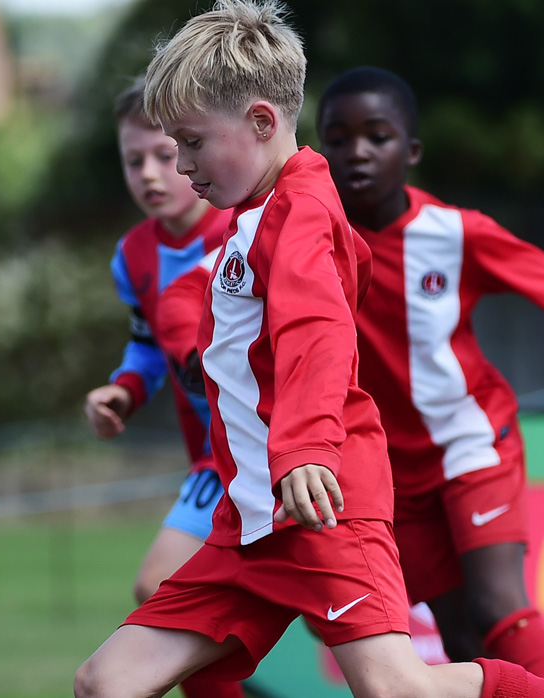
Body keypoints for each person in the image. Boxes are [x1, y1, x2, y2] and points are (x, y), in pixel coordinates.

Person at [71, 2, 544, 697]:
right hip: (251, 524)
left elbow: (315, 334)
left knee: (398, 689)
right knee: (105, 681)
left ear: (263, 122)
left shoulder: (301, 213)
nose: (181, 163)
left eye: (193, 141)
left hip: (323, 507)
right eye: (173, 144)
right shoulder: (251, 212)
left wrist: (306, 452)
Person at [317, 65, 544, 672]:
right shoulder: (307, 242)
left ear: (411, 151)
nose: (357, 152)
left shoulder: (455, 232)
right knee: (460, 637)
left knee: (500, 607)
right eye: (337, 139)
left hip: (472, 443)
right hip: (389, 471)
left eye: (378, 136)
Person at [82, 78, 241, 698]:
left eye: (166, 153)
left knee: (352, 624)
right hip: (213, 462)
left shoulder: (243, 230)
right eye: (133, 159)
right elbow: (148, 345)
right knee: (161, 591)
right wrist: (122, 390)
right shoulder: (135, 255)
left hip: (278, 453)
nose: (150, 172)